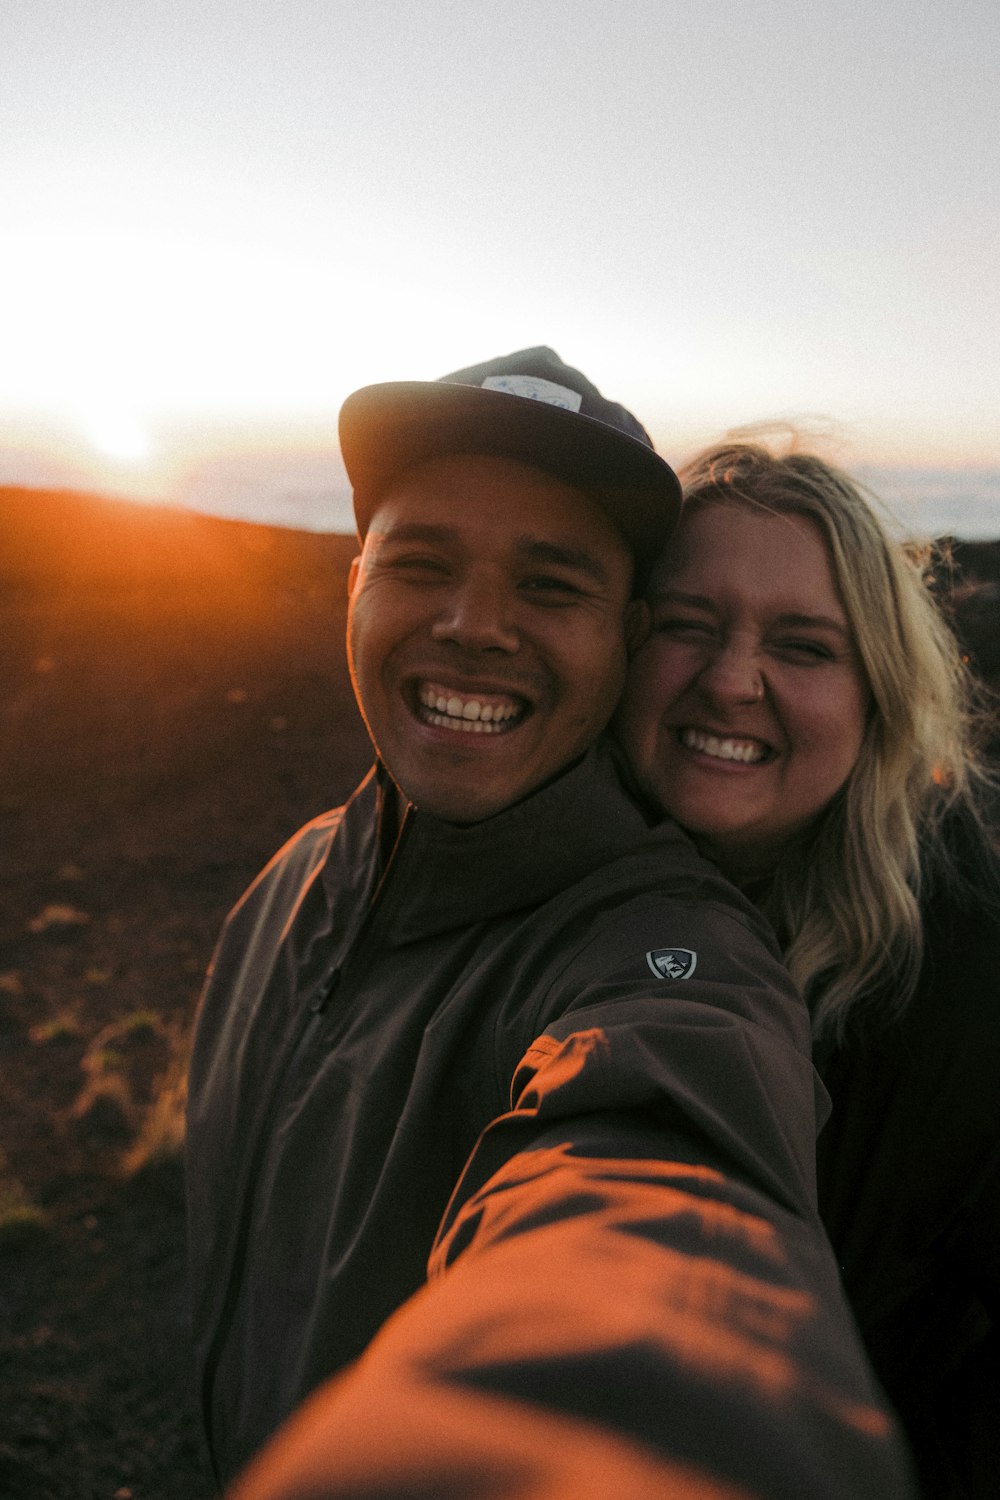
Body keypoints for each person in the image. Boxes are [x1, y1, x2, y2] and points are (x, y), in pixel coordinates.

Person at [186, 353, 917, 1500]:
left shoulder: (666, 950)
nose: (475, 625)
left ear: (622, 636)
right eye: (422, 564)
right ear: (353, 587)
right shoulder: (290, 884)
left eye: (550, 584)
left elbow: (656, 1164)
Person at [617, 437, 1000, 1499]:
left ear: (877, 695)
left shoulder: (966, 973)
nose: (731, 681)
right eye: (689, 625)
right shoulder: (529, 901)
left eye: (804, 645)